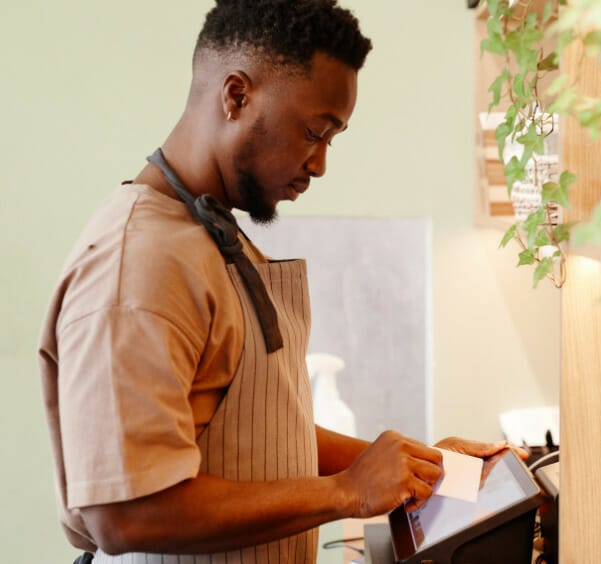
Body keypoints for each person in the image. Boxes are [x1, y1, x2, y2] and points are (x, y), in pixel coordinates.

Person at [38, 1, 512, 562]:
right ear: (236, 96)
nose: (319, 164)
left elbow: (258, 437)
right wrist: (347, 492)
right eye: (314, 132)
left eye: (332, 138)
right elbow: (126, 514)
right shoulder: (140, 264)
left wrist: (423, 468)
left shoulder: (206, 232)